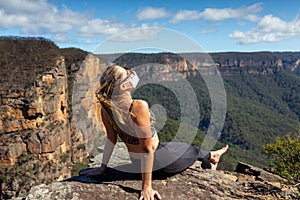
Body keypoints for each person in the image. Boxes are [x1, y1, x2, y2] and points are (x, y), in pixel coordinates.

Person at [80, 64, 229, 200]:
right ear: (123, 87)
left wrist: (102, 168)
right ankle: (210, 165)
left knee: (178, 145)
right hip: (159, 161)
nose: (131, 74)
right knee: (193, 150)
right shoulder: (138, 106)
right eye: (127, 74)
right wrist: (146, 187)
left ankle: (212, 155)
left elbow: (111, 139)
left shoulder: (107, 109)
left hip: (139, 161)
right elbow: (146, 149)